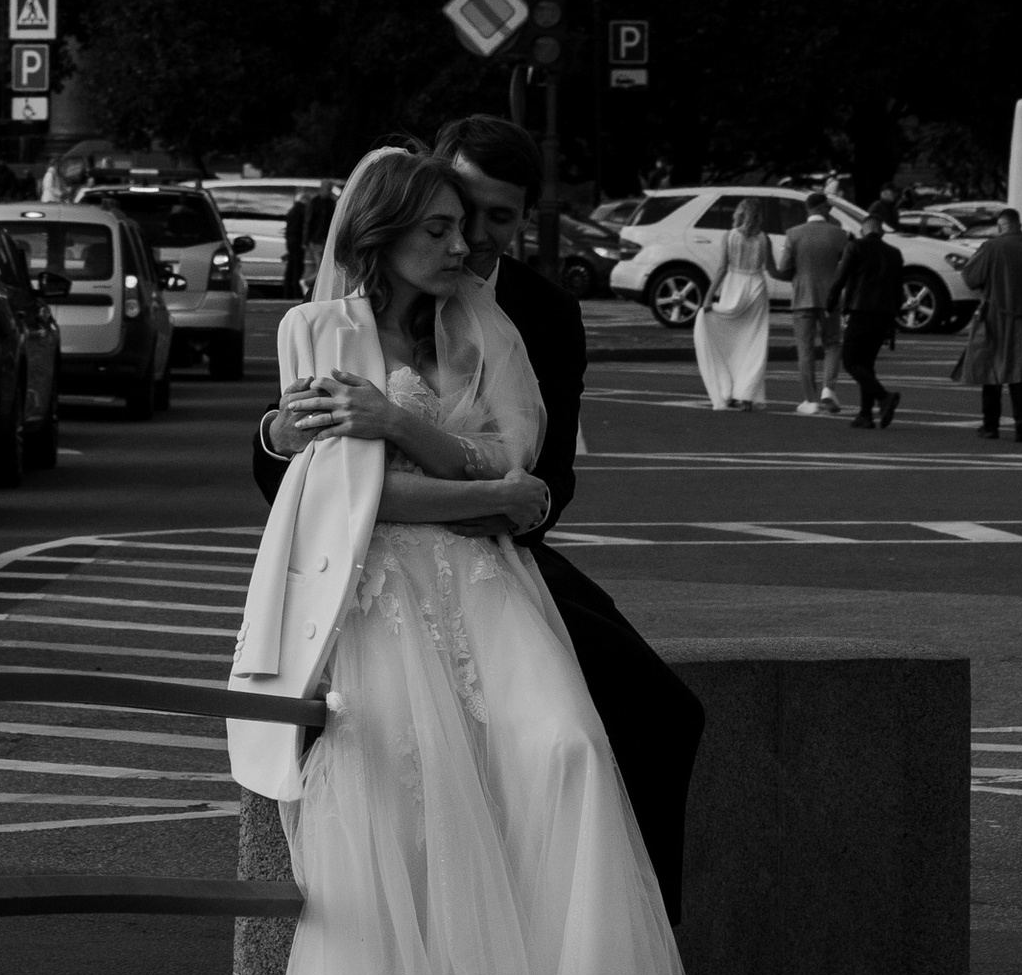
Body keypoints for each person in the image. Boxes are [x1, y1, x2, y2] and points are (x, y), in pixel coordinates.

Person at [230, 147, 732, 975]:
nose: (467, 247)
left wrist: (415, 437)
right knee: (419, 835)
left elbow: (527, 467)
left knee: (567, 762)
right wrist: (484, 491)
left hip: (494, 594)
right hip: (379, 596)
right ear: (381, 232)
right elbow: (342, 489)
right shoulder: (319, 328)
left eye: (476, 224)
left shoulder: (506, 320)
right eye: (445, 228)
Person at [258, 116, 705, 923]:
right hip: (376, 561)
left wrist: (458, 471)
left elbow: (540, 484)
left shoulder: (540, 311)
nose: (477, 241)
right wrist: (282, 433)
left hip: (497, 547)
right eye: (461, 214)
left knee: (653, 714)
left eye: (501, 219)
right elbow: (308, 474)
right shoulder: (336, 320)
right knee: (413, 766)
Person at [959, 207, 1022, 443]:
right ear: (1019, 225)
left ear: (1001, 226)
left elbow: (970, 277)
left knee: (992, 372)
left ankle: (991, 426)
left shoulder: (992, 247)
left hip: (995, 317)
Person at [693, 199, 774, 414]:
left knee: (731, 341)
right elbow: (773, 269)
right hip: (756, 287)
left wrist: (708, 298)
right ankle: (746, 395)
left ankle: (726, 389)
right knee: (754, 344)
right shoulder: (765, 239)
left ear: (740, 214)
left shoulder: (729, 237)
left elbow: (721, 268)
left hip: (734, 286)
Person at [775, 191, 848, 415]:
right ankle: (828, 389)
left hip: (803, 297)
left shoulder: (794, 234)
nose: (830, 211)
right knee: (832, 344)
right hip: (830, 299)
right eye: (829, 208)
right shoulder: (840, 235)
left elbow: (785, 268)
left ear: (808, 208)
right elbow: (846, 267)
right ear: (822, 208)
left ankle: (809, 399)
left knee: (805, 349)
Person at [836, 207, 906, 430]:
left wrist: (829, 305)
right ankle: (865, 414)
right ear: (882, 231)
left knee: (850, 361)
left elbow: (841, 279)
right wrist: (896, 316)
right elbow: (898, 289)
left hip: (860, 311)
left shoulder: (855, 247)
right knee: (867, 363)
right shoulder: (894, 254)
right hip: (884, 315)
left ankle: (884, 397)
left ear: (863, 230)